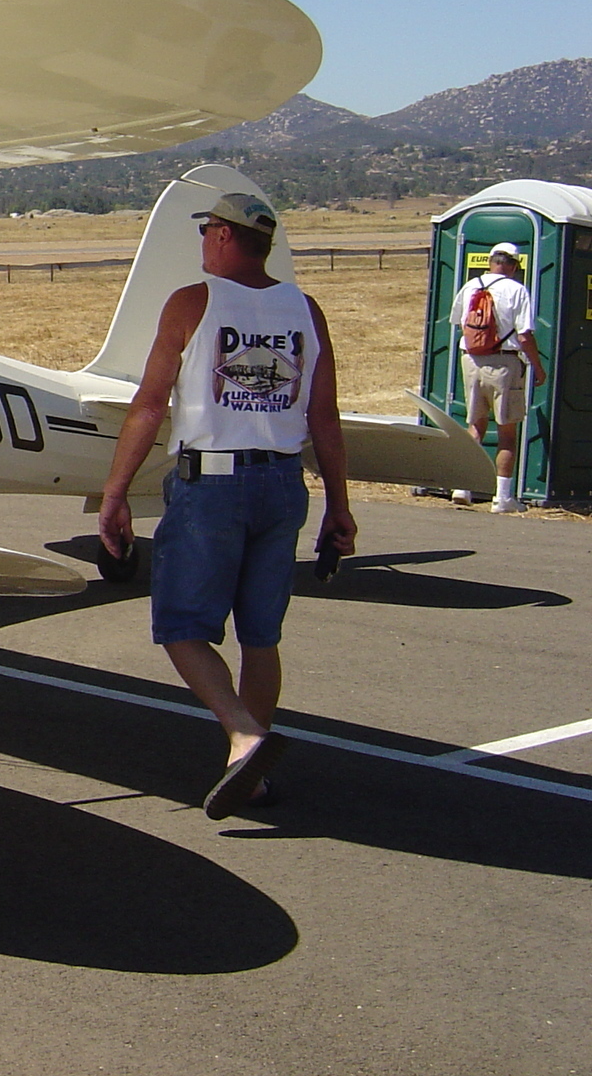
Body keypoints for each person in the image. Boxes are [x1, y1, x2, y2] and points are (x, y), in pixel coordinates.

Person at [98, 194, 355, 820]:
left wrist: (114, 493)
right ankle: (250, 777)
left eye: (207, 229)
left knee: (182, 627)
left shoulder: (193, 302)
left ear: (221, 237)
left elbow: (149, 405)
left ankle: (244, 735)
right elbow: (323, 415)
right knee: (260, 636)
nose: (203, 240)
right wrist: (340, 507)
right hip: (282, 484)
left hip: (210, 484)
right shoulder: (305, 309)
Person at [450, 242, 545, 513]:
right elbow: (524, 335)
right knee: (507, 430)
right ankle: (502, 498)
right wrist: (537, 366)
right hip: (504, 362)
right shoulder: (517, 289)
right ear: (515, 266)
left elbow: (459, 323)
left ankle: (462, 486)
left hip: (471, 359)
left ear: (490, 261)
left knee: (475, 425)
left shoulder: (471, 286)